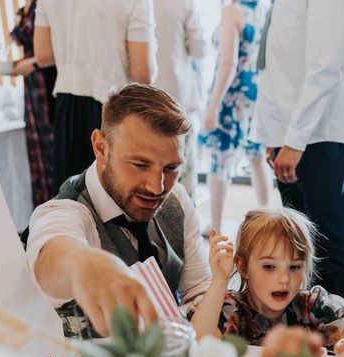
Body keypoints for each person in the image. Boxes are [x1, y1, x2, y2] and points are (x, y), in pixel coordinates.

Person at [26, 84, 211, 337]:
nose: (157, 187)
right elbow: (50, 256)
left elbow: (199, 290)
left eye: (170, 168)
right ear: (101, 147)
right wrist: (83, 263)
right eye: (140, 164)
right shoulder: (67, 211)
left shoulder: (176, 197)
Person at [250, 0, 344, 334]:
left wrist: (293, 140)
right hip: (294, 131)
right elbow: (280, 63)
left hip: (320, 132)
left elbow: (326, 66)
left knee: (332, 240)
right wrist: (274, 135)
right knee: (303, 243)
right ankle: (322, 324)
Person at [188, 208, 344, 355]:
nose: (284, 279)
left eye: (294, 267)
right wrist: (220, 280)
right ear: (242, 267)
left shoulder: (311, 307)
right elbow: (198, 342)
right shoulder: (229, 310)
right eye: (269, 267)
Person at [33, 0, 158, 194]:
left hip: (67, 104)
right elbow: (143, 72)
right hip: (113, 107)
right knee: (114, 200)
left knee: (71, 199)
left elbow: (43, 55)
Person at [199, 0, 272, 234]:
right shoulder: (262, 9)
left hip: (232, 95)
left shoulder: (232, 11)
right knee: (257, 158)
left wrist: (213, 105)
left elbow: (228, 64)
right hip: (256, 94)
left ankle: (217, 228)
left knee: (219, 162)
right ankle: (268, 220)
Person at [153, 0, 208, 203]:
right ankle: (184, 220)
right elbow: (200, 49)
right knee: (182, 165)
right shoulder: (184, 4)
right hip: (178, 93)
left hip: (144, 91)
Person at [10, 0, 57, 207]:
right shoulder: (26, 5)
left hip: (47, 80)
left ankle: (59, 206)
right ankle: (45, 211)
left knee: (52, 148)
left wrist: (33, 62)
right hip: (32, 89)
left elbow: (58, 45)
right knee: (37, 149)